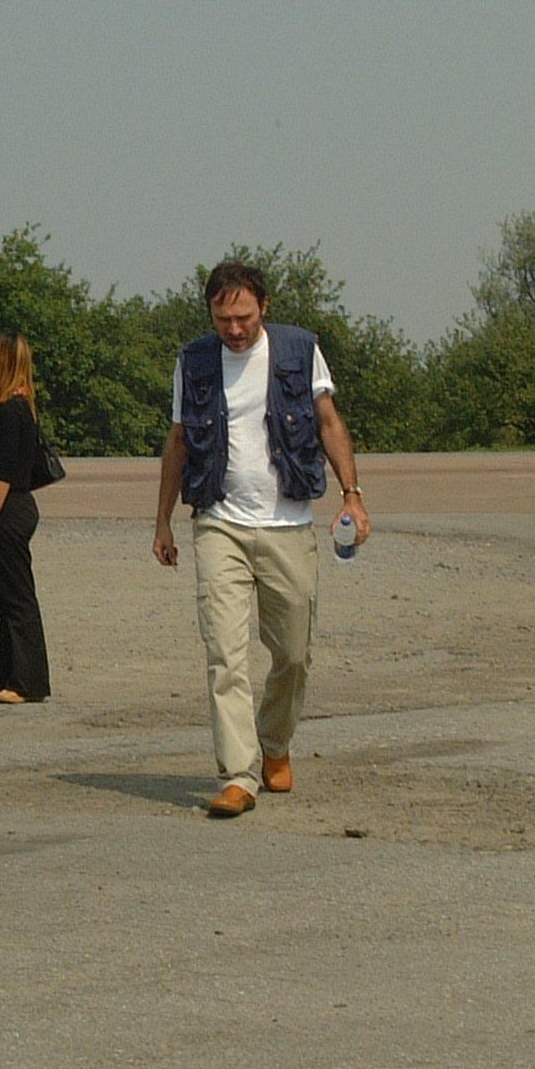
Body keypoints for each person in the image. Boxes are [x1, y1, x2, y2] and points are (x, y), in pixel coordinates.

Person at [151, 259, 372, 818]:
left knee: (293, 654)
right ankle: (238, 775)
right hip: (218, 522)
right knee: (225, 655)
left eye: (244, 317)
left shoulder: (299, 350)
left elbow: (328, 421)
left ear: (264, 308)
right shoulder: (194, 361)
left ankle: (275, 742)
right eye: (222, 318)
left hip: (287, 524)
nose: (234, 329)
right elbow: (178, 442)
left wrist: (352, 495)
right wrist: (162, 522)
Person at [0, 331, 50, 705]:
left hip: (11, 507)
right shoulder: (8, 407)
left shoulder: (14, 410)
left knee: (17, 598)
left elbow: (6, 473)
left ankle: (27, 680)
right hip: (7, 506)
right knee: (0, 595)